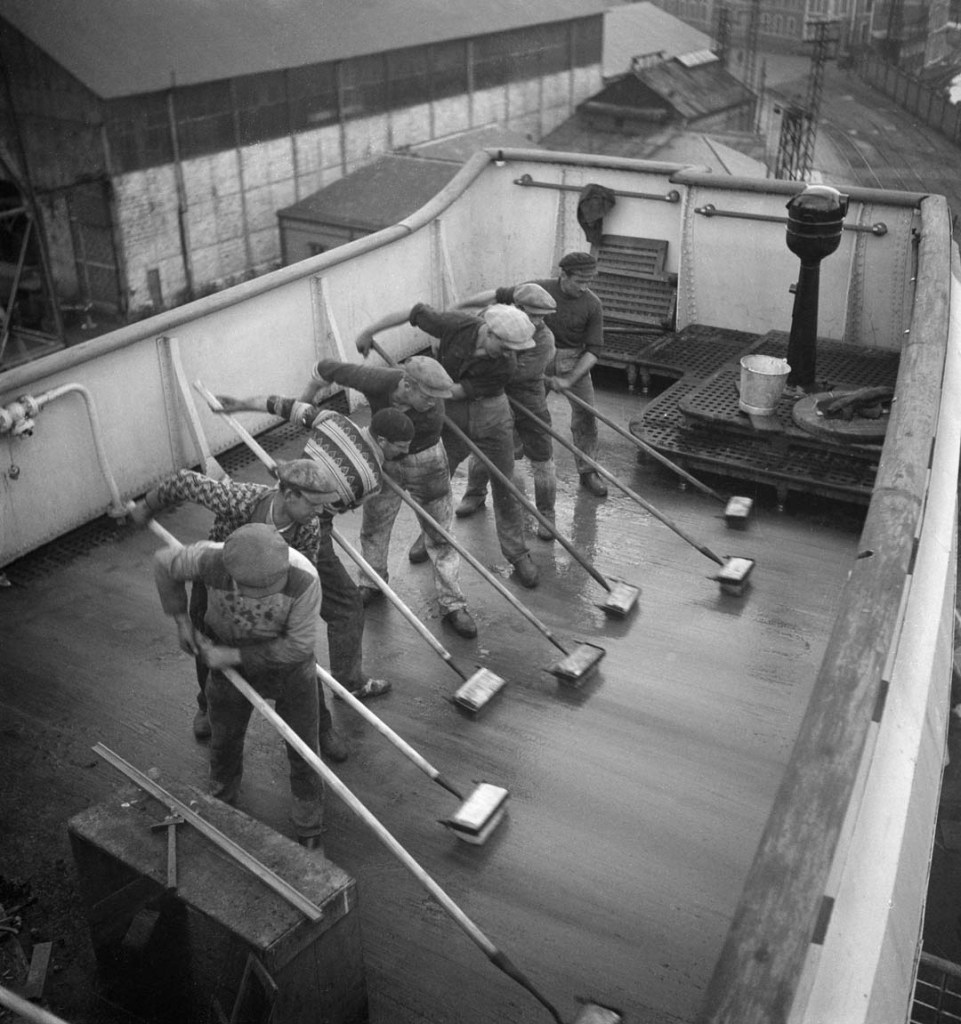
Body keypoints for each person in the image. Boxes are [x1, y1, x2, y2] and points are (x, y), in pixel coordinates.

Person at [131, 455, 389, 760]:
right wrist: (147, 506)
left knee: (300, 665)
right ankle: (207, 706)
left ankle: (320, 729)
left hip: (273, 593)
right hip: (219, 581)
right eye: (314, 503)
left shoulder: (307, 528)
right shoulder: (240, 500)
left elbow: (304, 575)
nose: (321, 513)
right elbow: (185, 482)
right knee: (206, 648)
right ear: (290, 494)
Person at [154, 523, 325, 850]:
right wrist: (182, 621)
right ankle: (221, 801)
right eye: (251, 588)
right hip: (229, 666)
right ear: (230, 572)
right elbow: (164, 562)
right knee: (225, 739)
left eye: (273, 586)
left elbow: (299, 647)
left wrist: (230, 655)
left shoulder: (305, 578)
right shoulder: (211, 559)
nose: (263, 594)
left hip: (288, 667)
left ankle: (309, 823)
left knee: (303, 746)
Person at [356, 302, 541, 588]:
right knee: (438, 481)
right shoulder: (457, 325)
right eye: (505, 347)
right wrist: (369, 331)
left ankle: (517, 552)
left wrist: (421, 387)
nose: (509, 355)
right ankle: (431, 536)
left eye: (513, 351)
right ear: (489, 332)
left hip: (491, 415)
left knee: (505, 483)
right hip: (450, 412)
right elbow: (411, 312)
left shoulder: (507, 364)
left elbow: (455, 390)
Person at [307, 355, 478, 638]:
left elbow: (457, 432)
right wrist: (307, 410)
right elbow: (325, 368)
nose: (435, 402)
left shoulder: (433, 402)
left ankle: (453, 604)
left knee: (440, 535)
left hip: (428, 462)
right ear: (407, 384)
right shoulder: (378, 381)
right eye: (429, 396)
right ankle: (373, 582)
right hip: (382, 461)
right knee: (374, 528)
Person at [482, 251, 609, 497]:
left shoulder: (592, 304)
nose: (585, 288)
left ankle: (588, 471)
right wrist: (462, 306)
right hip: (534, 353)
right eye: (580, 281)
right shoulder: (539, 290)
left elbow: (594, 350)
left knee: (586, 415)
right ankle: (504, 468)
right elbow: (501, 295)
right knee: (521, 410)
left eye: (589, 282)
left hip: (574, 360)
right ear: (563, 275)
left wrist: (570, 379)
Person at [452, 282, 558, 540]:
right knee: (483, 447)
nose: (537, 322)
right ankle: (475, 494)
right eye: (533, 315)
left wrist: (484, 368)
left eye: (541, 317)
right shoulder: (491, 321)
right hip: (492, 396)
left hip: (528, 398)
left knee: (542, 457)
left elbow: (519, 374)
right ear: (517, 308)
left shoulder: (543, 339)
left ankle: (546, 514)